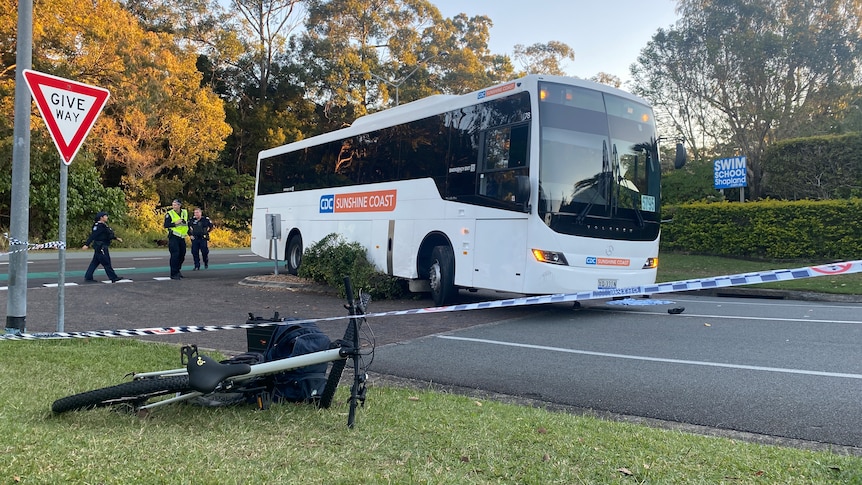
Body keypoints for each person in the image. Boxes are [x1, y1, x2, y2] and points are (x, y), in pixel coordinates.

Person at [82, 211, 127, 283]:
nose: (107, 217)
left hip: (100, 246)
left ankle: (88, 277)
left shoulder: (102, 225)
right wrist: (87, 244)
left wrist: (116, 238)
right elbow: (93, 235)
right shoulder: (99, 226)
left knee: (95, 262)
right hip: (101, 246)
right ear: (101, 217)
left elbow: (107, 234)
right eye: (105, 216)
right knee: (106, 262)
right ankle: (113, 277)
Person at [164, 199, 189, 280]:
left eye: (175, 205)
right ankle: (173, 273)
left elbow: (187, 223)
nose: (174, 206)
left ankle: (178, 270)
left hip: (182, 237)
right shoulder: (170, 214)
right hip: (174, 237)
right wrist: (175, 223)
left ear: (179, 205)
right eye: (173, 205)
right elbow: (166, 225)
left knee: (182, 255)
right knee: (175, 255)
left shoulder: (185, 212)